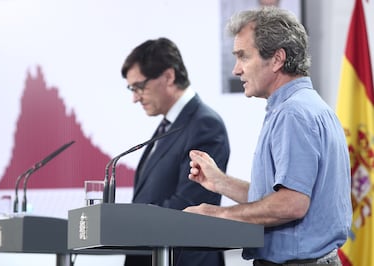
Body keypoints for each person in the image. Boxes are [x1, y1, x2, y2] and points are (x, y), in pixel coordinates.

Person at [184, 7, 352, 266]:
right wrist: (220, 183)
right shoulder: (306, 105)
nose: (236, 70)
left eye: (243, 57)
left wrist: (217, 214)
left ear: (276, 59)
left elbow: (291, 204)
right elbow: (282, 196)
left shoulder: (293, 113)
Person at [121, 37, 230, 266]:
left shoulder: (204, 125)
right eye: (132, 89)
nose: (135, 97)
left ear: (169, 77)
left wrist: (127, 224)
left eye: (139, 87)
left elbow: (190, 205)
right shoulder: (168, 125)